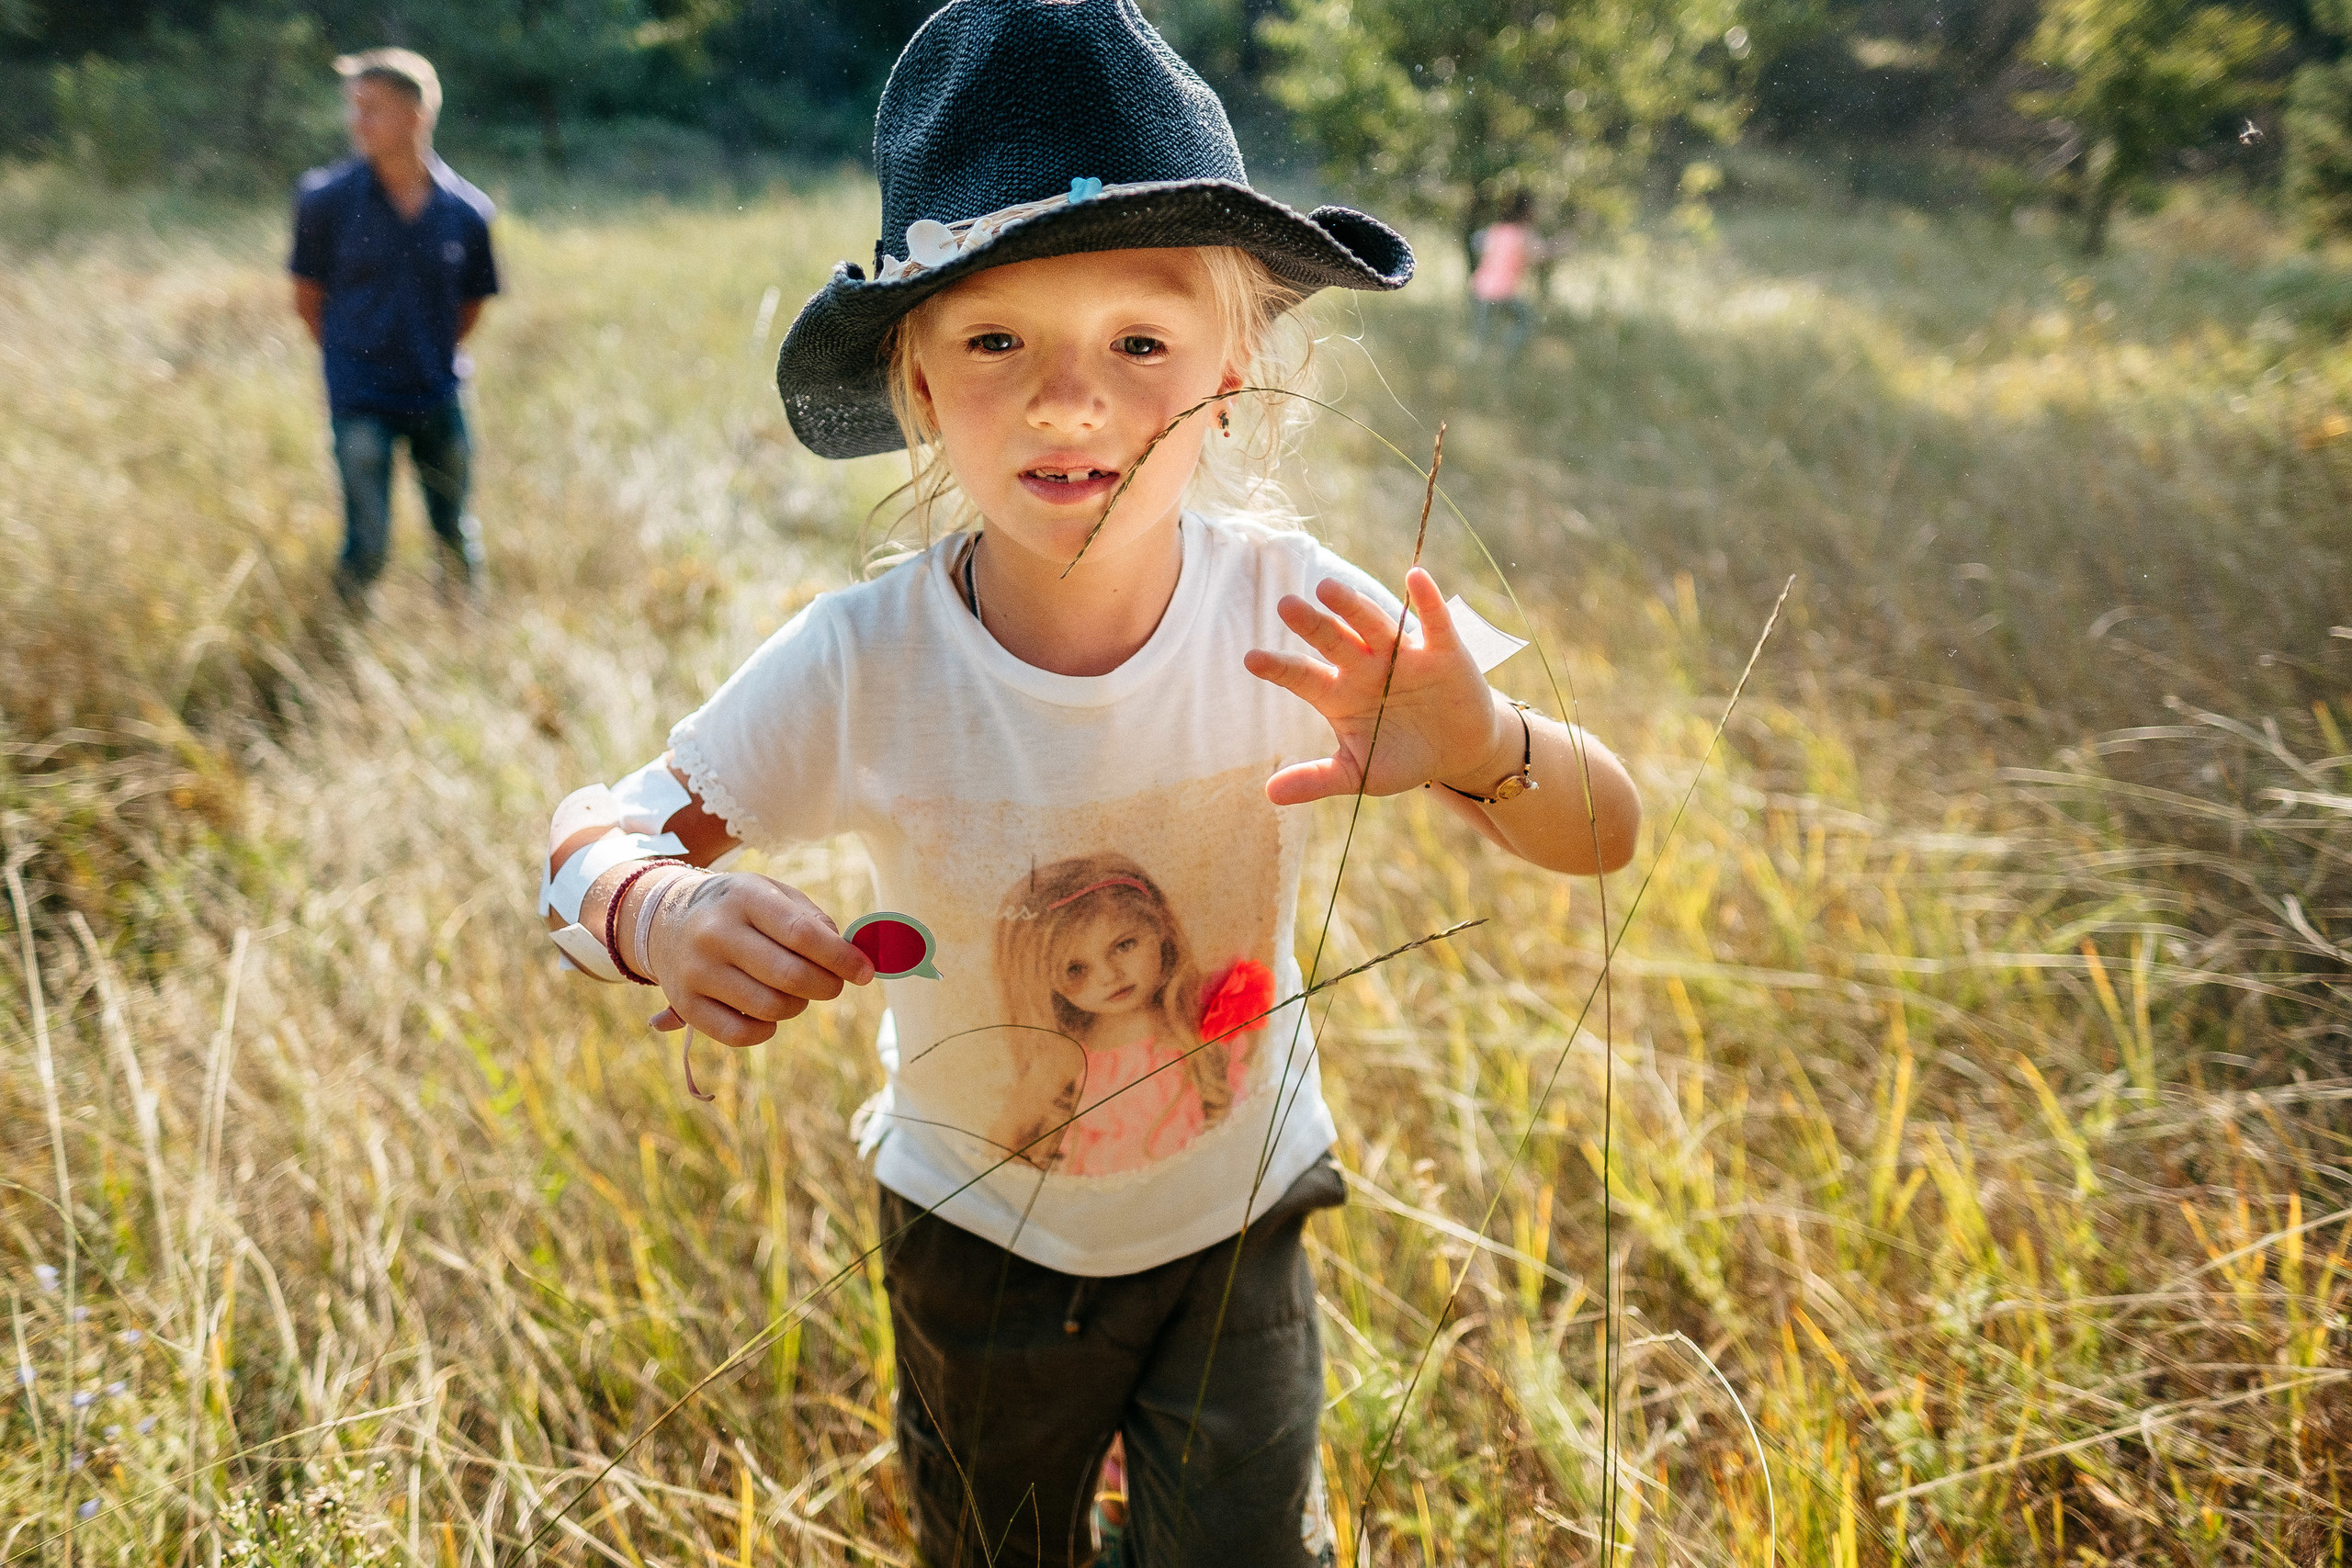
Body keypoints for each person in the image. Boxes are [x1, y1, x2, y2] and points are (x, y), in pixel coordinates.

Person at [533, 2, 1641, 1563]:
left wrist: (1485, 753)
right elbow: (588, 832)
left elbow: (1607, 835)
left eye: (1139, 342)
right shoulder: (868, 662)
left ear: (1238, 372)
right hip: (978, 1247)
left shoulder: (1294, 610)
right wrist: (659, 905)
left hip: (1238, 1224)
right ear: (917, 383)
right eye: (997, 341)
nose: (1070, 400)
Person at [289, 48, 497, 609]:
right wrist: (356, 357)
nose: (357, 122)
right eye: (354, 108)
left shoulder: (467, 211)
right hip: (360, 398)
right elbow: (308, 301)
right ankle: (338, 649)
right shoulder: (324, 200)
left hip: (438, 392)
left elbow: (472, 306)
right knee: (369, 547)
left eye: (372, 108)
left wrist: (425, 352)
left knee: (455, 535)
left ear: (417, 114)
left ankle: (466, 638)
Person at [1469, 191, 1539, 360]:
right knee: (1527, 322)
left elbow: (1477, 243)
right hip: (1501, 292)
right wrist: (1562, 246)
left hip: (1481, 288)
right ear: (1527, 210)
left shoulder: (1498, 229)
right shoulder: (1522, 234)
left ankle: (1483, 365)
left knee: (1482, 336)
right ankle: (1503, 358)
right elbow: (1539, 255)